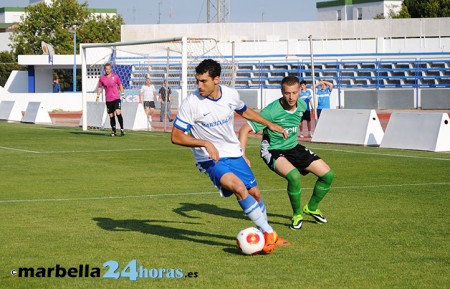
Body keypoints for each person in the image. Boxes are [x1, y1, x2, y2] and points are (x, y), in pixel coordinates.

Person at [171, 59, 290, 254]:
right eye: (197, 81)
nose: (199, 86)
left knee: (256, 194)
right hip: (210, 158)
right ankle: (270, 233)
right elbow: (176, 136)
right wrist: (204, 143)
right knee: (238, 188)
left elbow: (245, 112)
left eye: (204, 81)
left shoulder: (230, 95)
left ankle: (265, 233)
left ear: (216, 79)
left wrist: (269, 124)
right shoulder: (191, 103)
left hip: (233, 152)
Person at [239, 75, 334, 231]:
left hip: (293, 147)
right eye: (287, 93)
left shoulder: (302, 105)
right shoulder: (271, 111)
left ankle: (311, 207)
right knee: (294, 176)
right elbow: (244, 129)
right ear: (282, 92)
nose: (291, 97)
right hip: (272, 150)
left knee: (328, 175)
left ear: (299, 92)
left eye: (294, 93)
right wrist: (242, 155)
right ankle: (297, 215)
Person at [97, 63, 125, 137]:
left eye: (109, 69)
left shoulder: (115, 77)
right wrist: (97, 96)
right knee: (111, 115)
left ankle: (122, 129)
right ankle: (113, 130)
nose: (108, 70)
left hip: (116, 98)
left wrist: (122, 94)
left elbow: (120, 84)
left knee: (118, 112)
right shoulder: (102, 78)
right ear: (104, 70)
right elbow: (100, 87)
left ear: (111, 69)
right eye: (106, 69)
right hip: (108, 99)